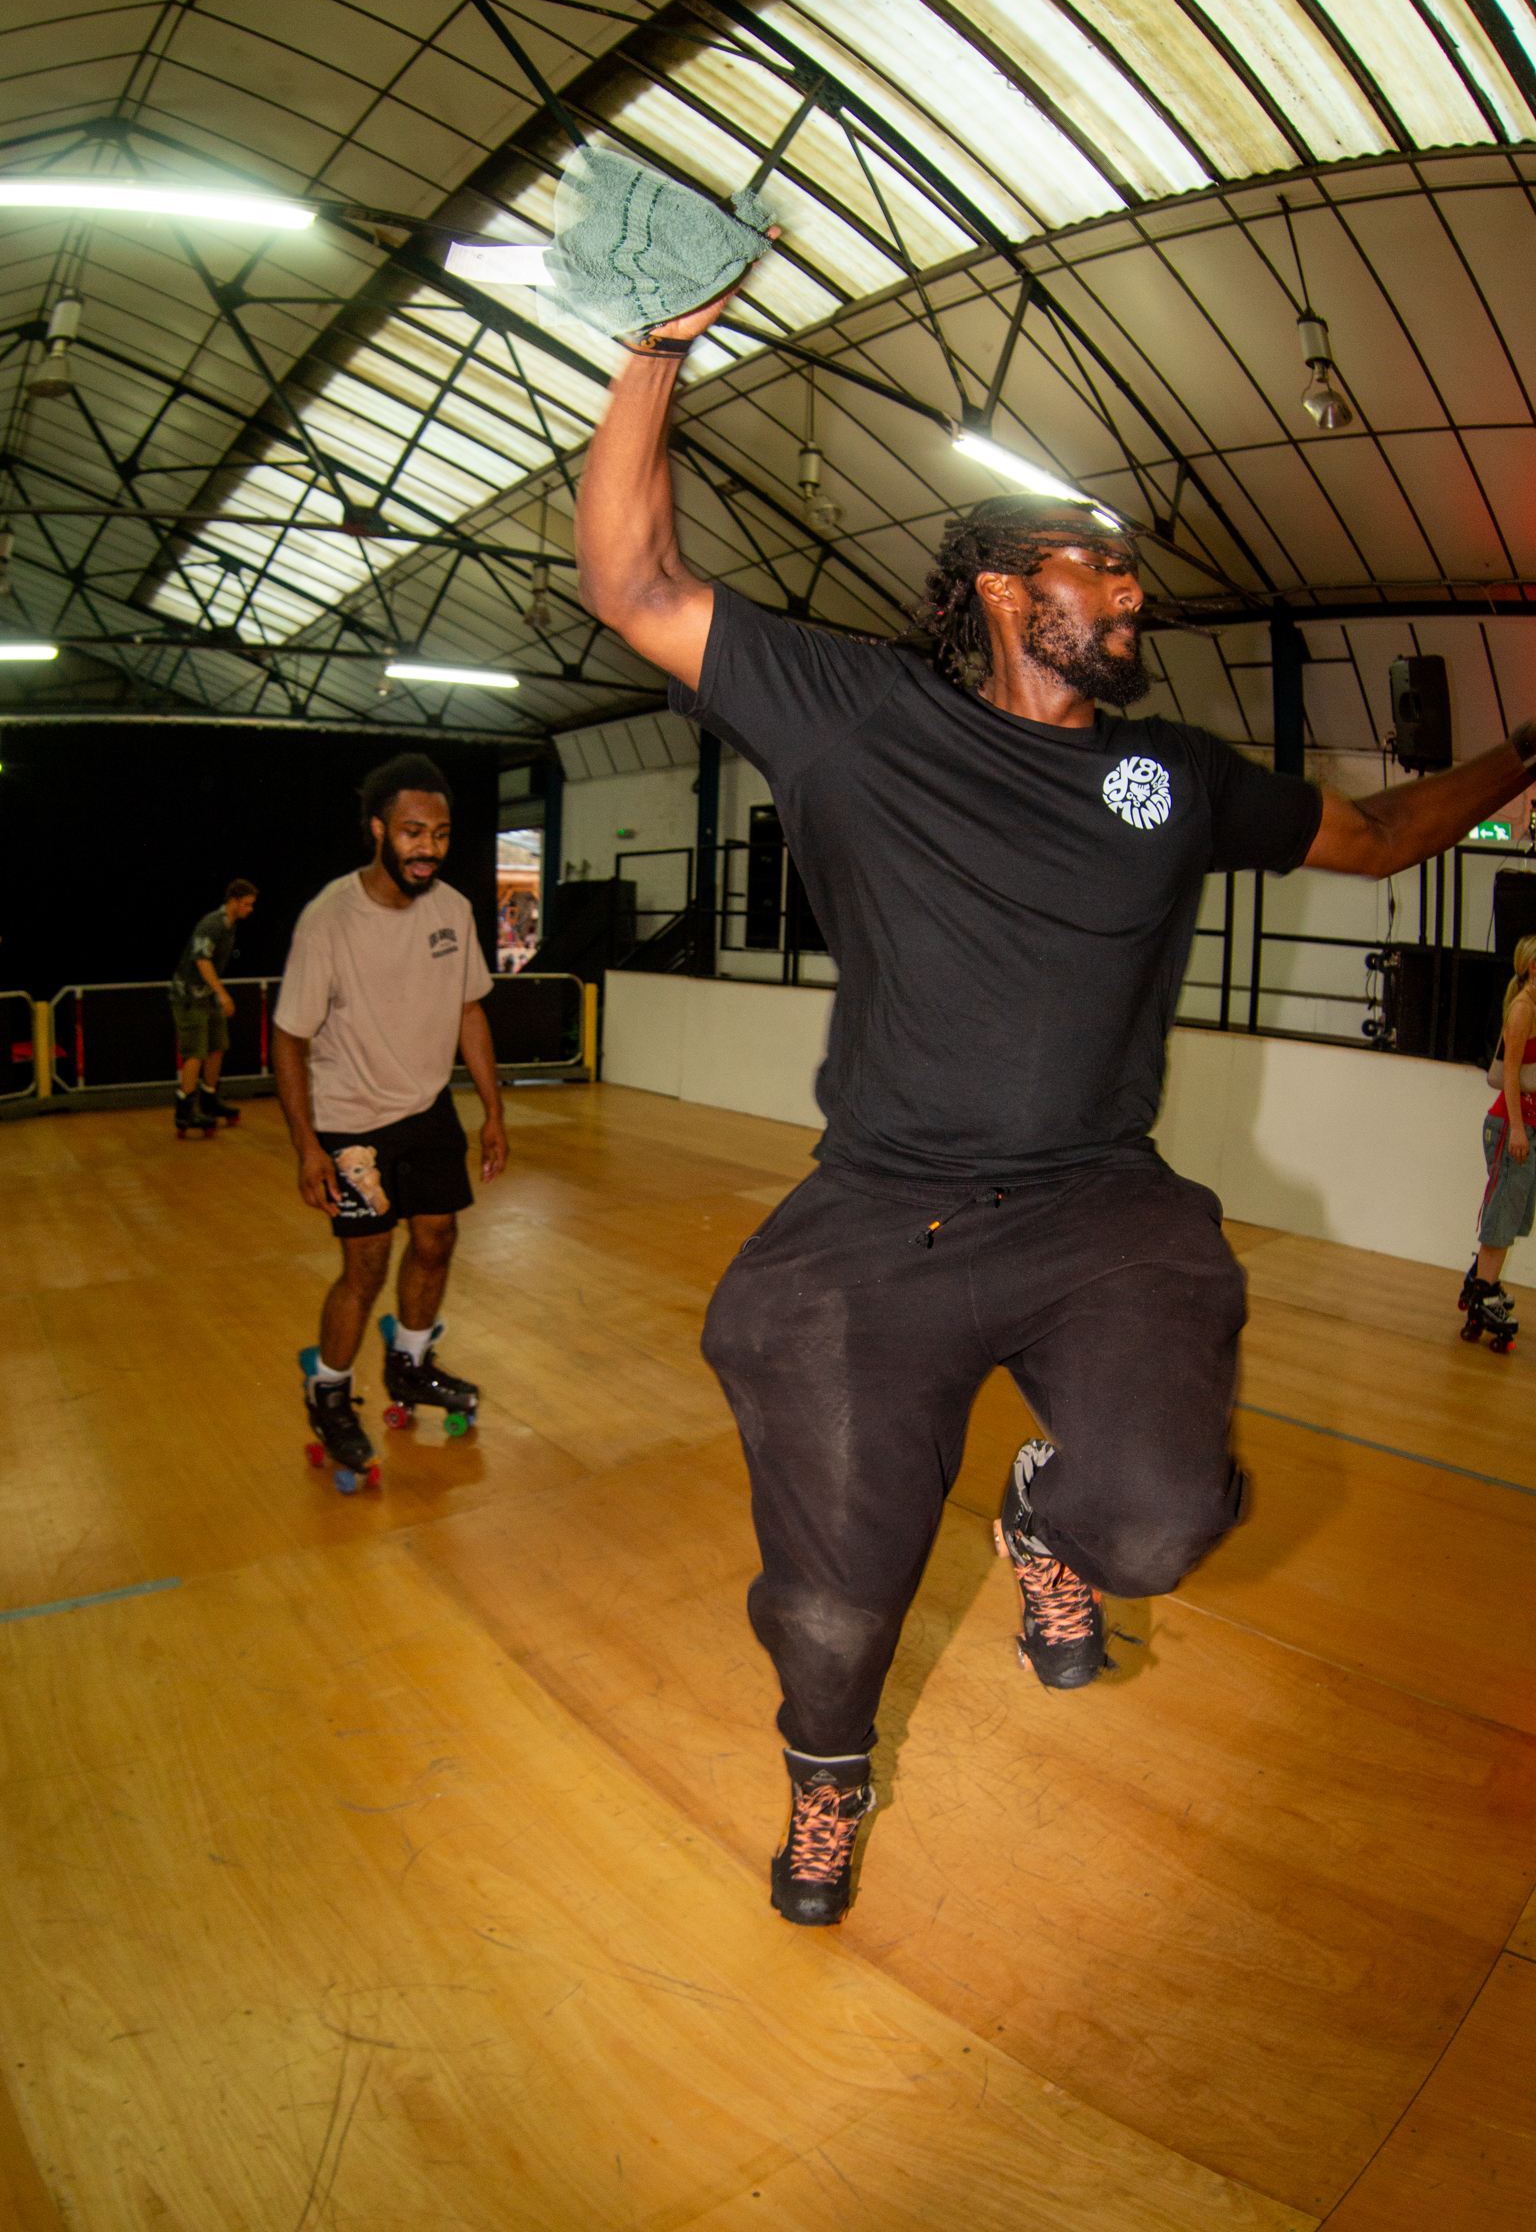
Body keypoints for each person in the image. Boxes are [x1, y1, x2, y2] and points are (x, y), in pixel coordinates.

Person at [575, 269, 1536, 1927]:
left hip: (1098, 1204)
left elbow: (1376, 838)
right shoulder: (863, 722)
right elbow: (632, 575)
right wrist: (657, 348)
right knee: (839, 1587)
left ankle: (1046, 1509)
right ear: (1011, 590)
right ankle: (828, 1775)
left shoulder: (1174, 773)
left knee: (1155, 1520)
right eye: (1105, 568)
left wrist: (1527, 754)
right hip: (887, 1210)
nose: (1137, 595)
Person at [271, 754, 508, 1492]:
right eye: (412, 832)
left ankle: (409, 1364)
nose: (427, 848)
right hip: (351, 1122)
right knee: (365, 1265)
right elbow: (289, 1036)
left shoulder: (452, 910)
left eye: (438, 833)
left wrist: (493, 1111)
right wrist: (308, 1146)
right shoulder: (330, 919)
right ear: (377, 830)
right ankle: (329, 1391)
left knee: (438, 1238)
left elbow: (469, 1008)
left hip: (428, 1108)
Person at [1460, 932, 1536, 1349]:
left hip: (1525, 1126)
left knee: (1514, 1215)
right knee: (1503, 1216)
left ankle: (1483, 1281)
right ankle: (1484, 1289)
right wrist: (1519, 1129)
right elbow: (1509, 1075)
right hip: (1511, 1126)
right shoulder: (1523, 1009)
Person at [169, 879, 258, 1134]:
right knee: (195, 1052)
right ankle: (184, 1111)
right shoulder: (212, 924)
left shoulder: (229, 927)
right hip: (190, 997)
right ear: (234, 901)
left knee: (217, 1047)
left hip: (207, 997)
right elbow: (201, 959)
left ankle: (209, 1098)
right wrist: (223, 994)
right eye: (247, 904)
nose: (250, 910)